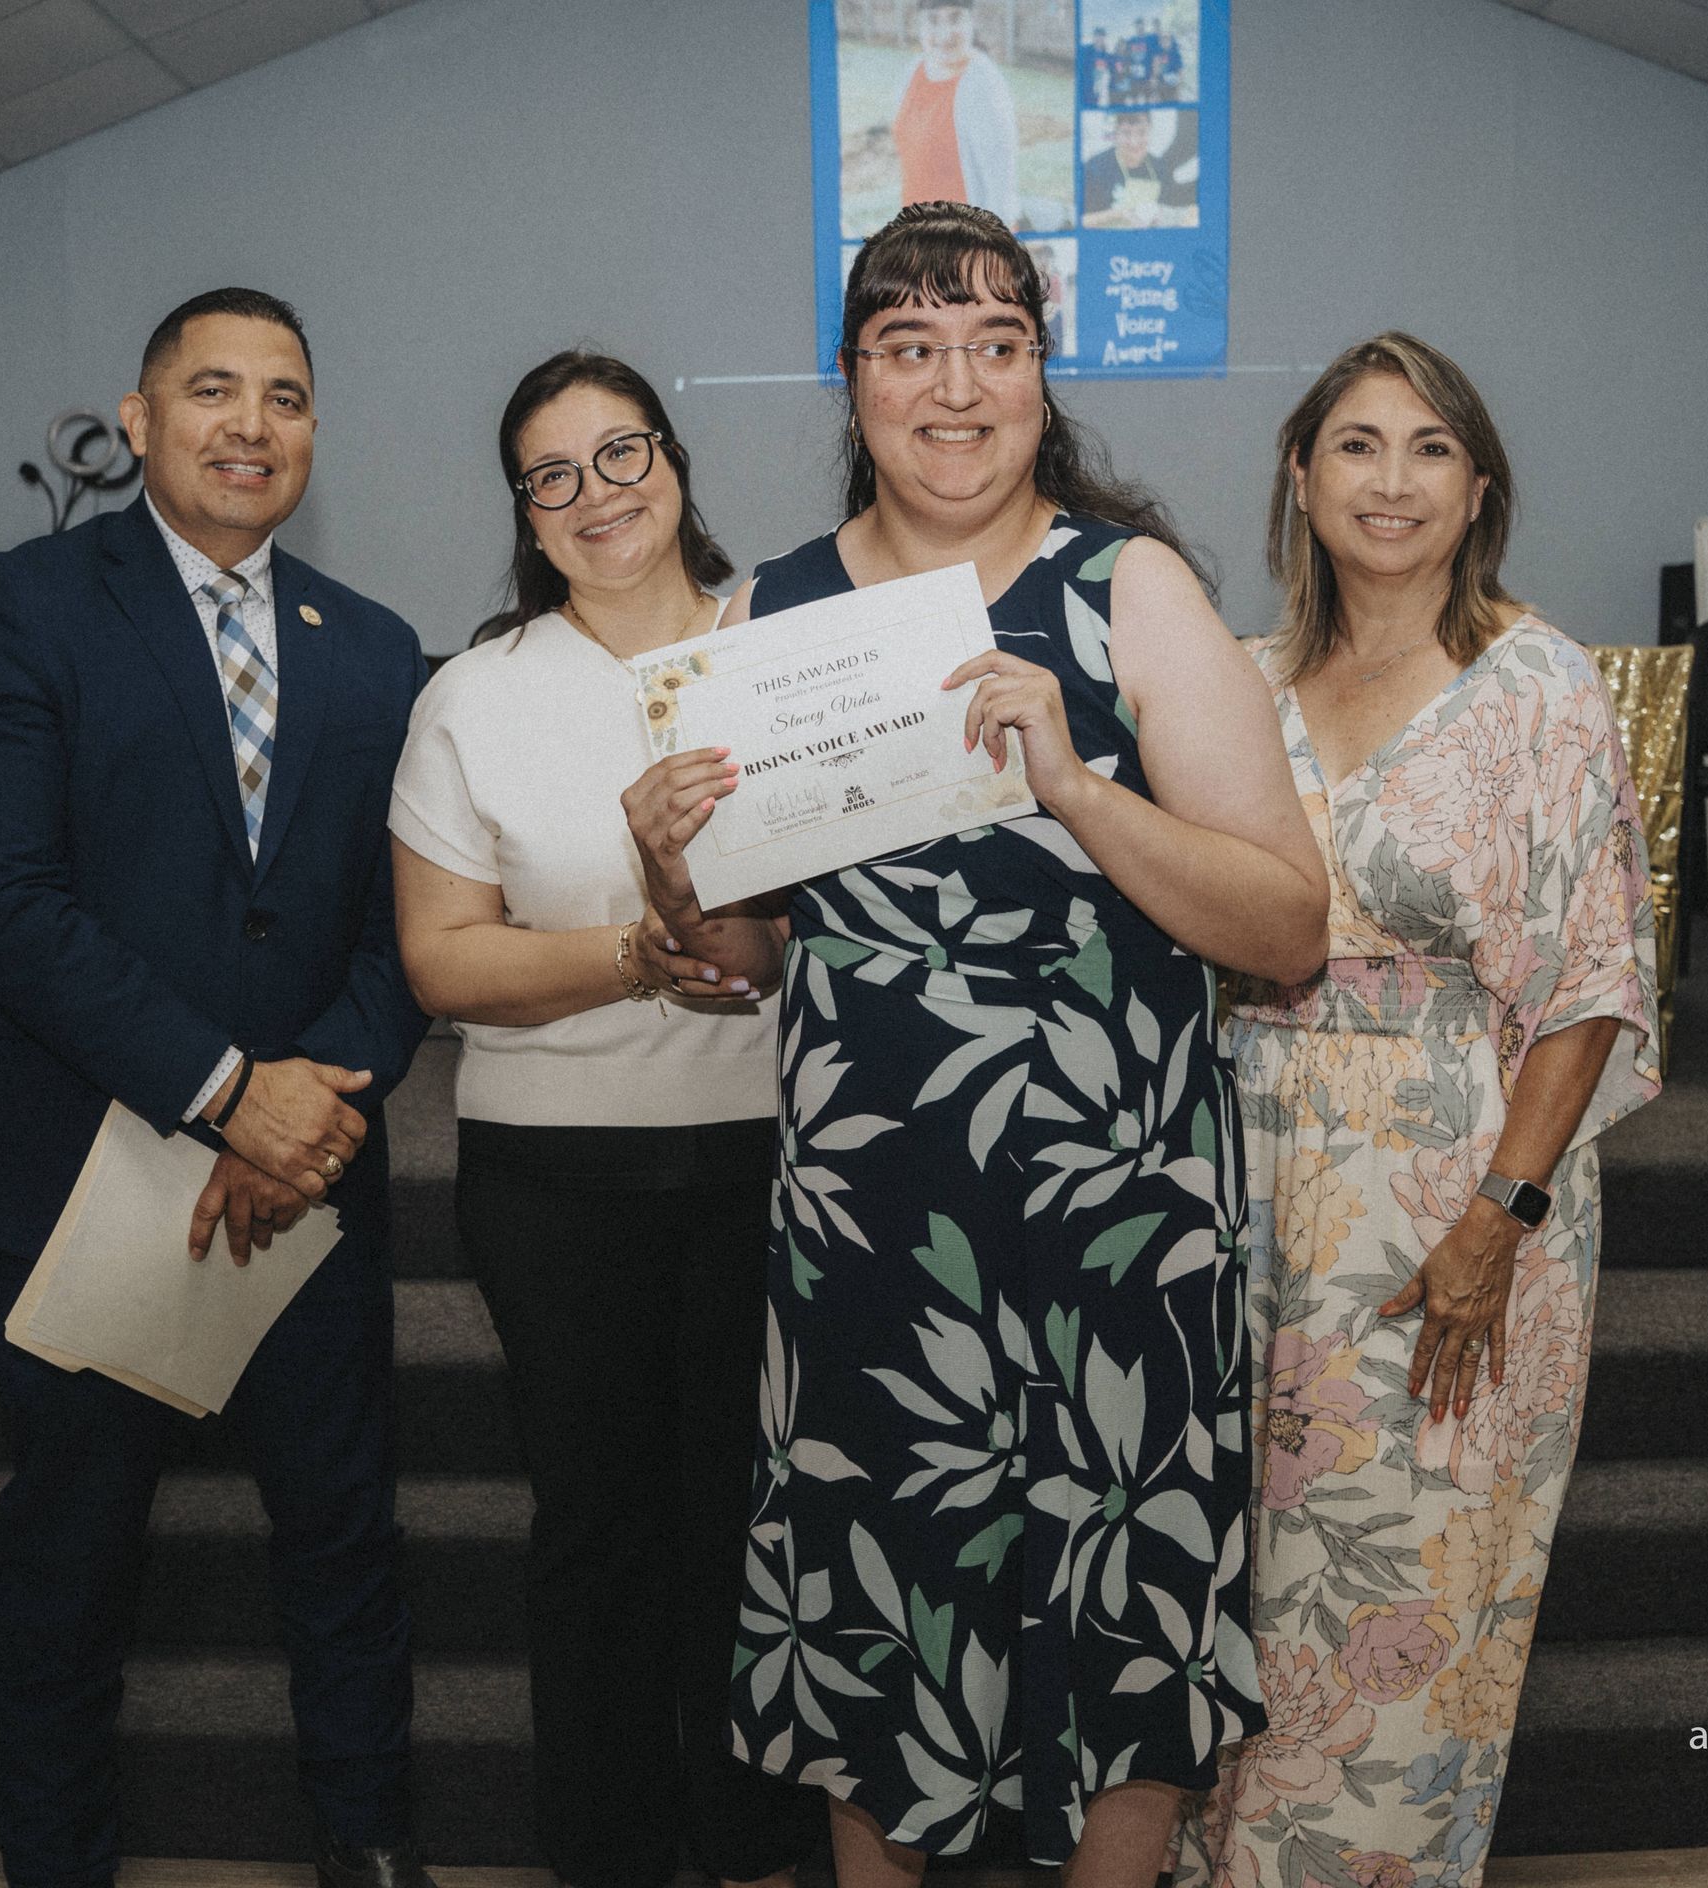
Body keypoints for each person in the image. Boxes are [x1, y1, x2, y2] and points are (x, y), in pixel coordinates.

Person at [622, 201, 1329, 1886]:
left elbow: (1287, 924)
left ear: (1041, 374)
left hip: (1117, 1211)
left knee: (1128, 1600)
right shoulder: (771, 617)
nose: (956, 387)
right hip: (878, 1221)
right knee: (881, 1599)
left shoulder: (1126, 588)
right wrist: (668, 858)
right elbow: (741, 948)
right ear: (850, 377)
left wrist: (1079, 784)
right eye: (911, 347)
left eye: (996, 344)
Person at [0, 288, 434, 1888]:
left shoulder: (381, 647)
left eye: (284, 396)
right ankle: (55, 1861)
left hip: (310, 1166)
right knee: (77, 1546)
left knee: (343, 1534)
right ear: (138, 422)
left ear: (315, 434)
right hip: (78, 1155)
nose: (249, 425)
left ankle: (371, 1845)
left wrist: (306, 1110)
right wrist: (225, 1092)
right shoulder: (22, 602)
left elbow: (394, 924)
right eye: (211, 391)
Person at [1169, 334, 1660, 1888]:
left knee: (1410, 1592)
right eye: (1359, 445)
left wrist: (1496, 1218)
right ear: (1300, 479)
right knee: (1233, 1577)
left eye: (1431, 447)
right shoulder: (1232, 684)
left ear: (1481, 487)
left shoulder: (1538, 684)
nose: (1392, 481)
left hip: (1454, 1190)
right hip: (1240, 1179)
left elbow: (1589, 977)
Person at [388, 352, 813, 1888]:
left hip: (779, 1161)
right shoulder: (477, 694)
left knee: (751, 1525)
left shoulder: (795, 641)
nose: (595, 493)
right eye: (551, 474)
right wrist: (631, 956)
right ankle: (612, 1853)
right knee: (599, 1530)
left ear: (676, 459)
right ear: (524, 512)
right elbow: (442, 959)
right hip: (555, 1180)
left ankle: (754, 1842)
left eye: (619, 451)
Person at [892, 0, 1020, 228]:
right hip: (916, 235)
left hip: (961, 241)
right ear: (919, 24)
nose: (945, 33)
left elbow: (1001, 185)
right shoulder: (914, 70)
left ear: (972, 20)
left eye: (955, 18)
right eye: (933, 20)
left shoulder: (983, 84)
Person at [1082, 112, 1175, 229]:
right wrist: (1117, 215)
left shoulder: (1161, 168)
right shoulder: (1093, 168)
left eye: (1142, 133)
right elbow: (1082, 220)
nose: (1134, 142)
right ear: (1115, 134)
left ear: (1150, 131)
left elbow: (1169, 210)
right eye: (1126, 133)